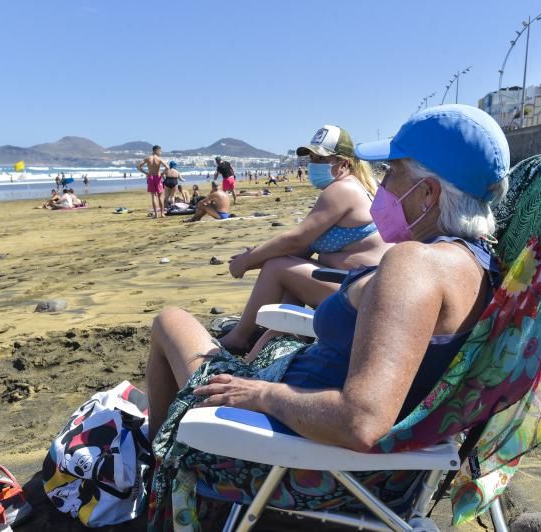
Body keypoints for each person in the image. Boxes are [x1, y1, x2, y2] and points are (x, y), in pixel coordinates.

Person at [144, 105, 509, 526]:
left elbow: (360, 421)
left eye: (392, 172)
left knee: (170, 321)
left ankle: (163, 468)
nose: (383, 185)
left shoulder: (417, 265)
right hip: (353, 445)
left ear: (428, 194)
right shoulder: (477, 263)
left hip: (309, 461)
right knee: (246, 338)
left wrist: (262, 395)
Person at [218, 125, 389, 353]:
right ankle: (280, 336)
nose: (313, 164)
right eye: (312, 158)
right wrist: (252, 258)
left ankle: (239, 338)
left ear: (344, 163)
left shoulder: (342, 190)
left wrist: (247, 262)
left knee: (277, 267)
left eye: (321, 158)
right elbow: (302, 248)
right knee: (287, 270)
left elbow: (296, 240)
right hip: (358, 286)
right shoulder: (356, 186)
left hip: (359, 293)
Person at [138, 145, 169, 218]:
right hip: (158, 177)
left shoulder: (148, 158)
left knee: (153, 196)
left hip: (151, 177)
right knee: (160, 196)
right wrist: (162, 173)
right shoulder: (159, 159)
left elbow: (138, 166)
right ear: (156, 150)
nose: (161, 152)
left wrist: (146, 173)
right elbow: (167, 167)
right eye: (160, 151)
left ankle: (156, 214)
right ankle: (162, 213)